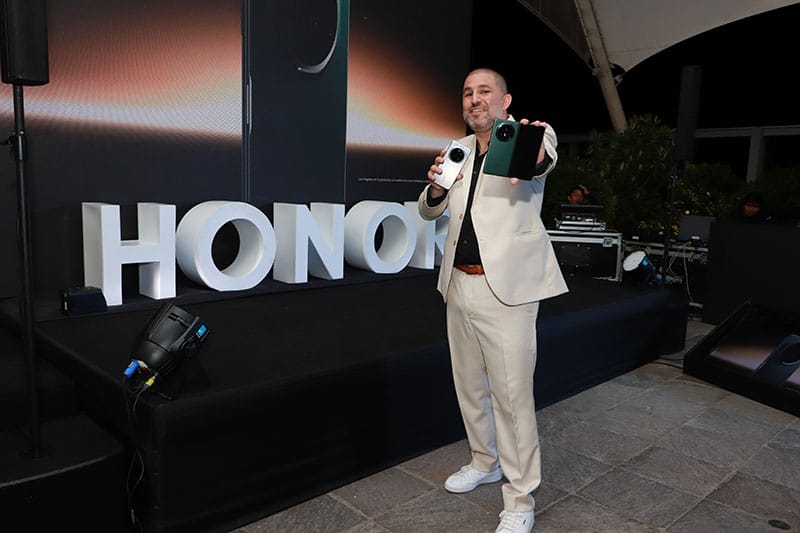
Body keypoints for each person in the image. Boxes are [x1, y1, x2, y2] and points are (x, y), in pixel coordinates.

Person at [417, 68, 567, 533]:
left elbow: (540, 162)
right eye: (467, 92)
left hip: (508, 291)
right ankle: (485, 461)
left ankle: (520, 498)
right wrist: (437, 187)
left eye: (485, 91)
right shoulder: (459, 149)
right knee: (470, 387)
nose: (474, 99)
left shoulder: (530, 136)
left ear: (505, 101)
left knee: (512, 397)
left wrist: (532, 148)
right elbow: (427, 208)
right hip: (458, 284)